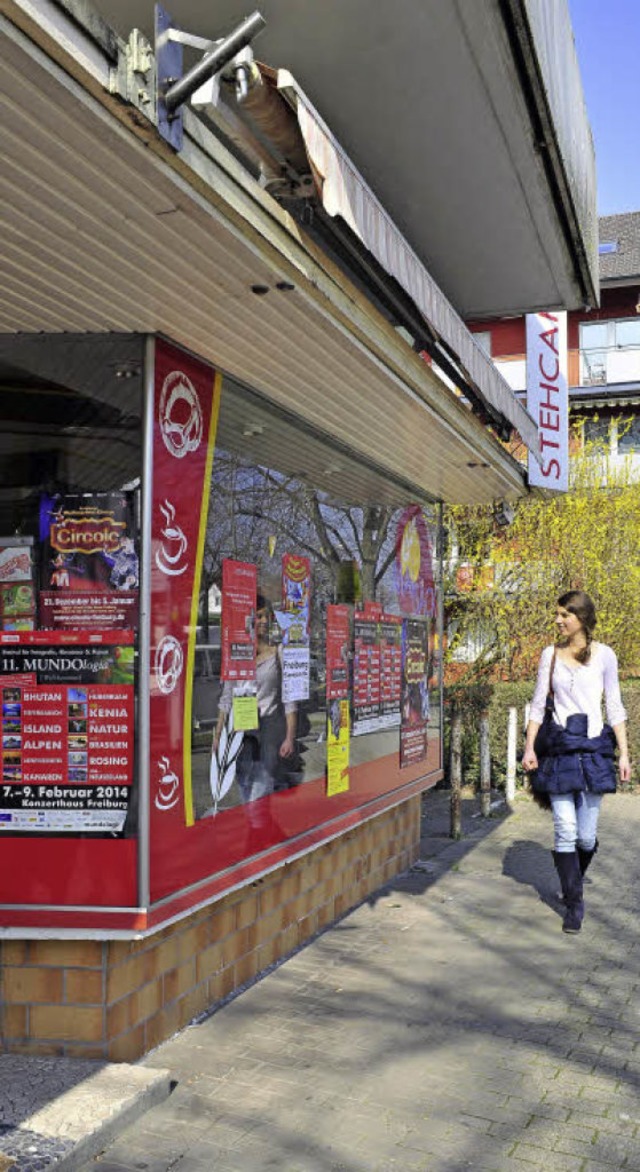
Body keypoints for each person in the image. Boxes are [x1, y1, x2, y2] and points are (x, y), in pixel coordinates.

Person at [522, 590, 630, 934]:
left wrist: (624, 752)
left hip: (595, 751)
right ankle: (574, 903)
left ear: (581, 618)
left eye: (564, 615)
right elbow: (538, 705)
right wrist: (529, 748)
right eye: (556, 614)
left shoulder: (605, 656)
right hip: (558, 750)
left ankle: (572, 883)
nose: (558, 620)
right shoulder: (549, 655)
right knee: (565, 829)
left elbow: (614, 706)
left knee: (586, 836)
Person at [213, 595, 297, 804]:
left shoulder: (278, 653)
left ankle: (257, 827)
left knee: (262, 785)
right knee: (244, 784)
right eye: (257, 616)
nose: (262, 621)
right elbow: (226, 697)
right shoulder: (237, 654)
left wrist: (289, 736)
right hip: (241, 730)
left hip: (269, 732)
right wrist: (218, 734)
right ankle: (256, 828)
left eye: (265, 616)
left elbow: (290, 698)